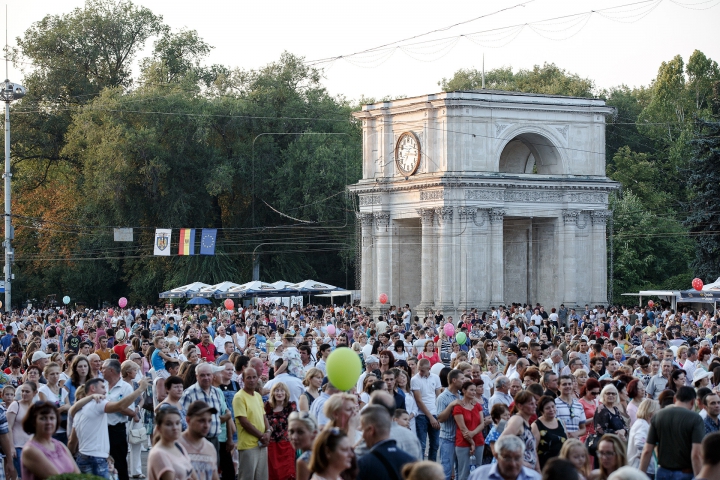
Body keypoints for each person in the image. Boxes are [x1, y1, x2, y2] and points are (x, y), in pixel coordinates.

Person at [68, 376, 149, 478]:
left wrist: (68, 459)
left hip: (82, 457)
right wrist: (140, 389)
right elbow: (120, 406)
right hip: (97, 459)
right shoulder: (97, 403)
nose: (105, 391)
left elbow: (72, 441)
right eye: (102, 387)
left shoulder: (78, 411)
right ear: (92, 388)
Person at [639, 386, 704, 478]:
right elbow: (696, 454)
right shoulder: (695, 418)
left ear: (674, 399)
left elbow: (647, 450)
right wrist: (699, 477)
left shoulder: (658, 416)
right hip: (685, 473)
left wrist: (640, 475)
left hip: (662, 471)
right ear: (693, 401)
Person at [21, 401, 78, 480]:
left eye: (52, 418)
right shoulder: (30, 450)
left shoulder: (60, 445)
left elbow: (78, 475)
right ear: (33, 421)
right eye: (43, 418)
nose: (48, 422)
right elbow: (57, 478)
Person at [180, 363, 230, 451]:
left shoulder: (216, 392)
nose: (206, 378)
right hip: (196, 441)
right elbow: (182, 418)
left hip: (215, 439)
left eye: (208, 375)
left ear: (212, 376)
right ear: (197, 376)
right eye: (202, 375)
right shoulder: (189, 393)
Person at [357, 405, 415, 480]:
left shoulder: (364, 463)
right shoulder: (411, 460)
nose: (363, 436)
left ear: (371, 430)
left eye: (363, 430)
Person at [103, 358, 138, 480]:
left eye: (104, 368)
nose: (101, 371)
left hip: (117, 430)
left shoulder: (125, 388)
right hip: (102, 429)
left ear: (111, 370)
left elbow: (131, 412)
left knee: (119, 463)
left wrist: (113, 405)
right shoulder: (102, 385)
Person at [233, 367, 270, 480]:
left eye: (254, 377)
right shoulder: (239, 397)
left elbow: (264, 416)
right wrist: (261, 436)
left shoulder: (258, 396)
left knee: (262, 477)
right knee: (247, 477)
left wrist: (268, 432)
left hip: (262, 444)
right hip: (248, 446)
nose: (252, 380)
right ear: (243, 380)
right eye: (248, 377)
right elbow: (244, 422)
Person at [147, 406, 197, 480]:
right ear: (159, 428)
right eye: (168, 424)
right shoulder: (159, 454)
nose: (175, 428)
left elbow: (193, 474)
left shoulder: (179, 447)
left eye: (177, 423)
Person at [468, 435, 541, 480]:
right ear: (496, 456)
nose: (513, 464)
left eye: (517, 458)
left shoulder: (534, 477)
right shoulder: (479, 475)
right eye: (507, 458)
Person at [500, 390, 540, 473]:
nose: (535, 406)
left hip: (528, 472)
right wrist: (521, 462)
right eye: (531, 404)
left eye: (535, 403)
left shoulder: (526, 422)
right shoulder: (517, 420)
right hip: (518, 471)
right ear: (520, 406)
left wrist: (537, 469)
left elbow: (532, 450)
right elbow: (501, 442)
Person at [179, 401, 220, 480]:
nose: (206, 425)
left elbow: (214, 476)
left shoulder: (210, 448)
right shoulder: (175, 444)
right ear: (188, 420)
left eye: (209, 421)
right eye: (201, 421)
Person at [453, 380, 485, 480]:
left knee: (478, 470)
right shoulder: (458, 407)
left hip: (479, 440)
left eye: (475, 390)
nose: (474, 392)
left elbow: (482, 423)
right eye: (471, 390)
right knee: (464, 472)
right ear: (464, 390)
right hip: (463, 442)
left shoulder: (477, 405)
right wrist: (472, 442)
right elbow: (463, 428)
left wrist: (473, 433)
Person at [411, 358, 442, 461]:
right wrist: (431, 417)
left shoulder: (436, 378)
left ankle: (431, 470)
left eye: (422, 370)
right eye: (419, 369)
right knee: (422, 445)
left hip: (434, 413)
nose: (420, 372)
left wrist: (438, 415)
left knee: (435, 445)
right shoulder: (415, 379)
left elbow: (438, 397)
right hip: (421, 415)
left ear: (429, 368)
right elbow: (419, 401)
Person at [265, 382, 297, 480]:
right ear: (273, 393)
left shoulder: (291, 406)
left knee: (287, 472)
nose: (279, 393)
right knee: (273, 473)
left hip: (287, 445)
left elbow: (296, 424)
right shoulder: (267, 407)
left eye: (282, 390)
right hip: (272, 445)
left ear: (286, 393)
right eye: (276, 390)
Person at [437, 368, 464, 480]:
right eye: (461, 379)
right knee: (446, 473)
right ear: (454, 380)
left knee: (460, 472)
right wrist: (451, 405)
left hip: (461, 439)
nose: (464, 381)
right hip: (448, 439)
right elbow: (440, 418)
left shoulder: (462, 395)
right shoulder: (442, 397)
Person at [532, 396, 568, 470]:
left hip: (562, 465)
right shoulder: (536, 425)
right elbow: (533, 450)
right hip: (545, 467)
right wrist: (538, 469)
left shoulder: (561, 422)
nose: (551, 410)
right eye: (547, 408)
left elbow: (567, 443)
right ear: (542, 411)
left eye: (553, 406)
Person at [37, 362, 70, 444]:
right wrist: (62, 408)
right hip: (52, 431)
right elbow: (46, 411)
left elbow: (69, 406)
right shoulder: (43, 390)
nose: (55, 376)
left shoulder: (62, 391)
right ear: (46, 376)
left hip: (64, 429)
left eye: (57, 373)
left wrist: (60, 409)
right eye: (52, 374)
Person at [7, 380, 35, 475]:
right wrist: (11, 447)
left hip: (32, 446)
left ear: (34, 393)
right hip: (18, 446)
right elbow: (8, 428)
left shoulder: (35, 407)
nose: (24, 394)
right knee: (22, 475)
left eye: (27, 392)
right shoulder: (15, 405)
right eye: (22, 391)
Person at [626, 399, 659, 478]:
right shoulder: (642, 425)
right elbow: (640, 444)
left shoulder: (642, 423)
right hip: (641, 469)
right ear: (651, 414)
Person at [288, 411, 318, 480]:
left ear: (314, 433)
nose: (294, 437)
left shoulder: (304, 460)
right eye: (291, 432)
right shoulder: (324, 452)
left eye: (300, 432)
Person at [555, 375, 587, 439]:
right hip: (559, 444)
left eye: (569, 384)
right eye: (564, 384)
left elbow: (583, 429)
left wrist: (576, 433)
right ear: (558, 387)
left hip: (574, 444)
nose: (567, 386)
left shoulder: (579, 405)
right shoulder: (554, 404)